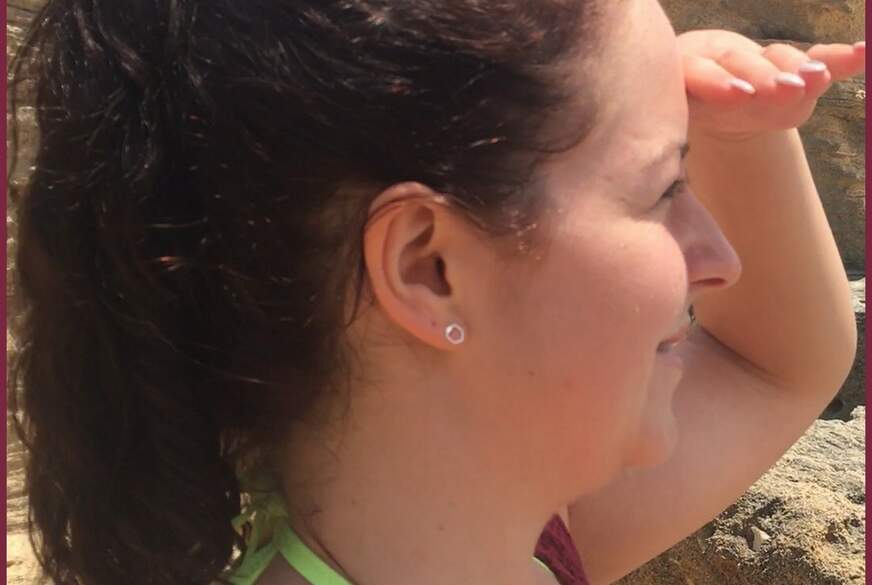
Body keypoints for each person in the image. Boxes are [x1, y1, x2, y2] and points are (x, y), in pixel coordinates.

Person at [7, 0, 863, 583]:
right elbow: (774, 368)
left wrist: (733, 132)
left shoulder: (511, 531)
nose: (720, 258)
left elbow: (775, 362)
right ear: (429, 269)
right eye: (665, 190)